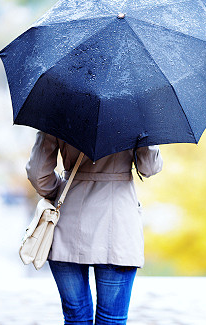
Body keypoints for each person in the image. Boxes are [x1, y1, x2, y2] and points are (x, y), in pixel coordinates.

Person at [26, 131, 163, 325]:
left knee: (75, 318)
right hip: (119, 225)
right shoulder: (135, 113)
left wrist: (63, 190)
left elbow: (38, 173)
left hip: (68, 222)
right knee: (112, 320)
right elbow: (149, 167)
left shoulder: (58, 109)